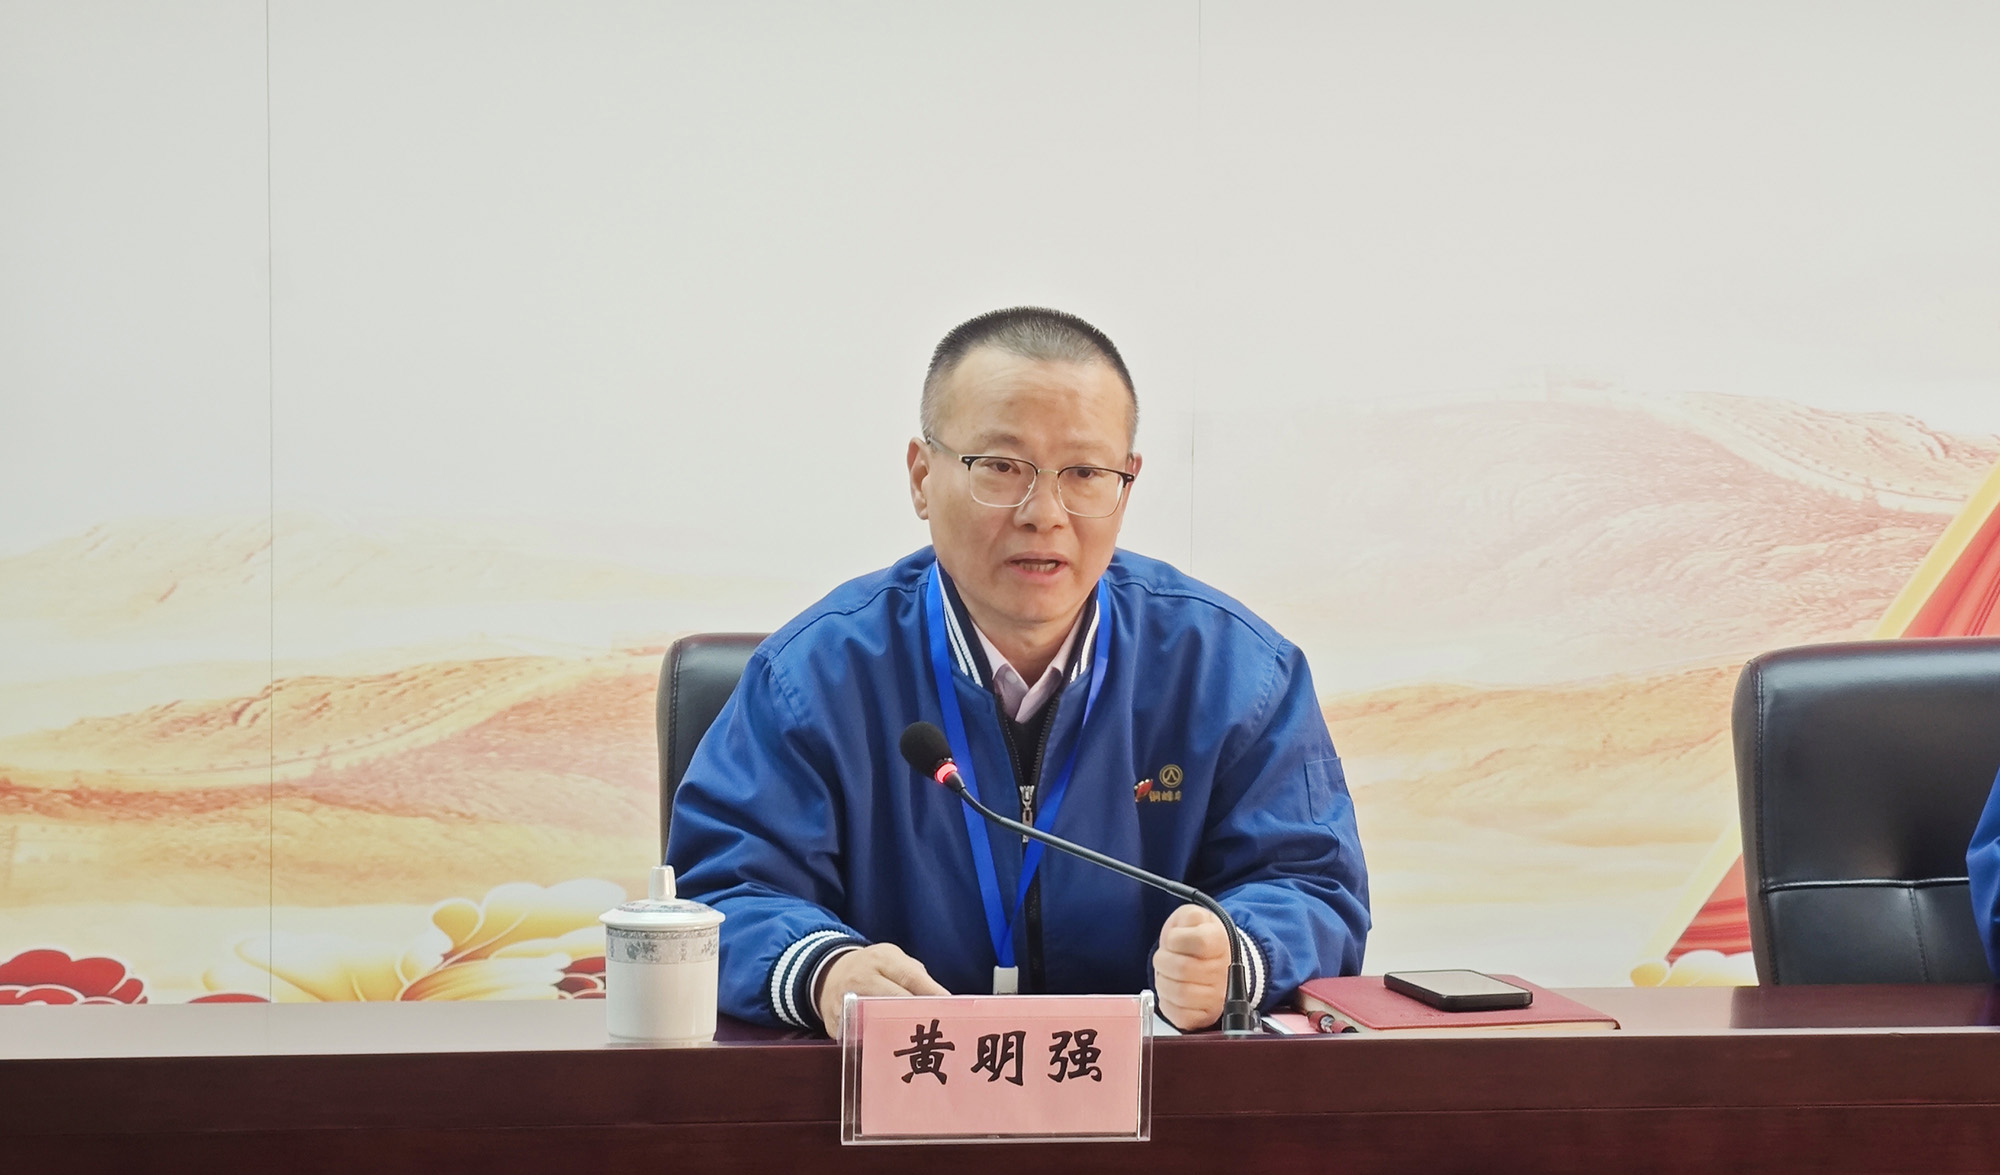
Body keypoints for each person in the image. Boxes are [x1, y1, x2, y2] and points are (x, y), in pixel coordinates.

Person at [667, 307, 1369, 1035]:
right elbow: (721, 892)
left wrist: (1237, 956)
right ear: (921, 476)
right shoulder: (812, 679)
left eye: (1085, 473)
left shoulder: (1233, 673)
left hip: (1154, 1097)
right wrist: (821, 970)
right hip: (896, 1091)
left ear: (1127, 483)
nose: (1044, 513)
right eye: (1001, 467)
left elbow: (1313, 882)